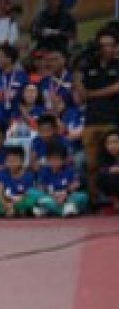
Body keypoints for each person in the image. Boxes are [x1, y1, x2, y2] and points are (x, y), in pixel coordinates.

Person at [74, 27, 119, 203]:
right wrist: (77, 75)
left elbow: (116, 88)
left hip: (113, 121)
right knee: (91, 165)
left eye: (110, 45)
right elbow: (80, 94)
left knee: (113, 163)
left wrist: (92, 94)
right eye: (103, 45)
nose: (106, 48)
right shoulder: (88, 66)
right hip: (91, 121)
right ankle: (94, 201)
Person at [35, 141, 88, 216]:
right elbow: (41, 186)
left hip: (68, 197)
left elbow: (76, 184)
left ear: (64, 160)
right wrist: (53, 195)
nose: (53, 162)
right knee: (35, 194)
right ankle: (64, 210)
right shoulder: (44, 171)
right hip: (52, 197)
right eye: (51, 159)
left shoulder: (70, 170)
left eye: (57, 159)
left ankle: (57, 209)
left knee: (82, 196)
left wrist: (65, 193)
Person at [0, 145, 41, 217]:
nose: (11, 163)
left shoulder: (28, 175)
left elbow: (28, 193)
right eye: (9, 160)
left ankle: (15, 210)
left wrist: (15, 203)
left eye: (14, 161)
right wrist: (5, 204)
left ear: (22, 161)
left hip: (20, 201)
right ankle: (11, 210)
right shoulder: (2, 173)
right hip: (5, 201)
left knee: (33, 198)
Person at [98, 129, 119, 211]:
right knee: (103, 177)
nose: (112, 145)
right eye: (109, 143)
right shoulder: (104, 156)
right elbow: (103, 170)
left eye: (115, 142)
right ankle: (116, 201)